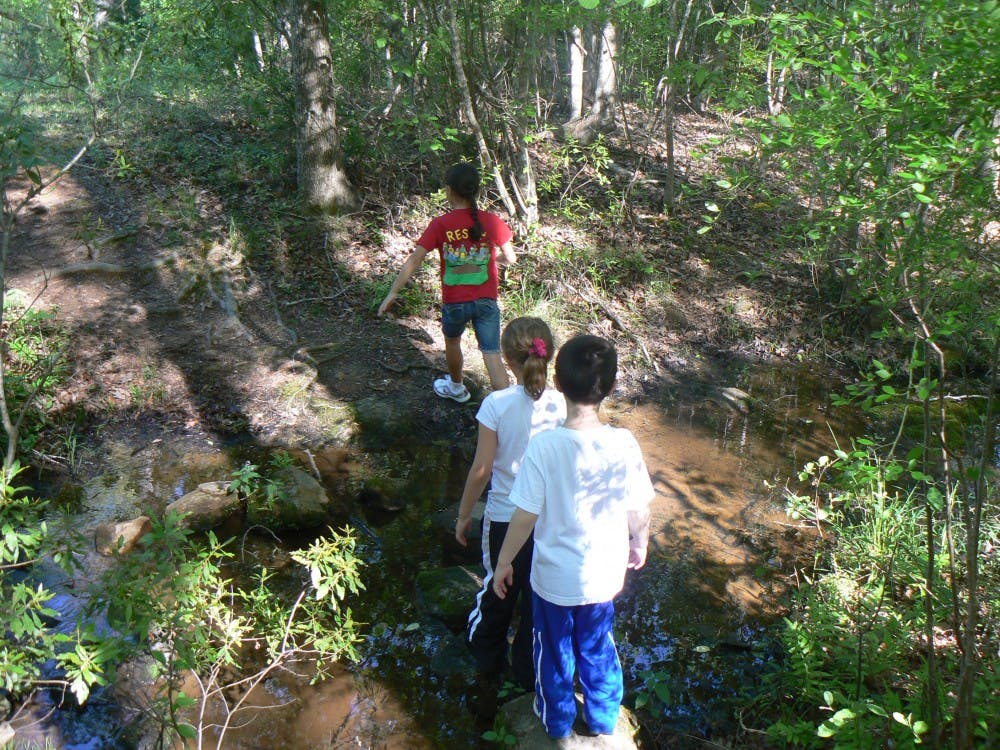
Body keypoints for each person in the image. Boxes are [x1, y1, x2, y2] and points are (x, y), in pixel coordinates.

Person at [492, 334, 654, 740]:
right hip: (603, 576)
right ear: (611, 387)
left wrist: (504, 561)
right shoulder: (624, 442)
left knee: (553, 650)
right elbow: (639, 507)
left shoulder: (545, 447)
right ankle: (602, 717)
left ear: (558, 384)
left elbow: (525, 516)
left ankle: (558, 719)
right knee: (598, 645)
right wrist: (640, 541)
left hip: (553, 580)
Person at [455, 317, 567, 692]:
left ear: (506, 359)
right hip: (547, 522)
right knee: (536, 596)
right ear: (548, 356)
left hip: (504, 517)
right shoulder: (563, 406)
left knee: (497, 587)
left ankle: (486, 659)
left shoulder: (496, 404)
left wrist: (463, 515)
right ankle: (525, 670)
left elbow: (482, 470)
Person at [377, 163, 516, 401]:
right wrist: (488, 259)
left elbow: (414, 260)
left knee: (453, 342)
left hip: (455, 302)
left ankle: (455, 388)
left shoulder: (441, 224)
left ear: (449, 191)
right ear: (475, 191)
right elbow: (511, 258)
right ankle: (508, 412)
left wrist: (393, 292)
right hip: (486, 300)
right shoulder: (490, 221)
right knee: (491, 353)